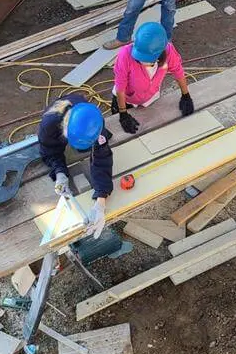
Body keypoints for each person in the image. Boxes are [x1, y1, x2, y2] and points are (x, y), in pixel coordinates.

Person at [37, 96, 112, 238]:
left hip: (81, 115)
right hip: (57, 124)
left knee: (95, 146)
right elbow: (50, 152)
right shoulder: (49, 126)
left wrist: (101, 199)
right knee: (64, 150)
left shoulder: (94, 122)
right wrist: (60, 172)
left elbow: (102, 158)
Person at [111, 22, 194, 134]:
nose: (141, 62)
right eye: (139, 58)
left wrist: (186, 95)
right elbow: (120, 87)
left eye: (147, 60)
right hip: (126, 101)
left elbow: (178, 71)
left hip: (151, 98)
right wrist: (123, 114)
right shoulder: (125, 55)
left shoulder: (168, 51)